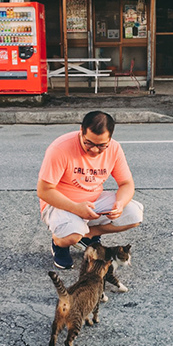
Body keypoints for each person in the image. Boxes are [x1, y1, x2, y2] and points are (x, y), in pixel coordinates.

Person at [37, 111, 143, 269]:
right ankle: (59, 244)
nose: (94, 150)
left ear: (110, 139)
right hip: (60, 204)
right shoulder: (60, 148)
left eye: (101, 146)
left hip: (94, 201)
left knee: (134, 214)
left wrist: (120, 204)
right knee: (72, 235)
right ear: (81, 131)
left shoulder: (114, 149)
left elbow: (126, 183)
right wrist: (75, 208)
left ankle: (88, 234)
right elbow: (44, 190)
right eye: (88, 143)